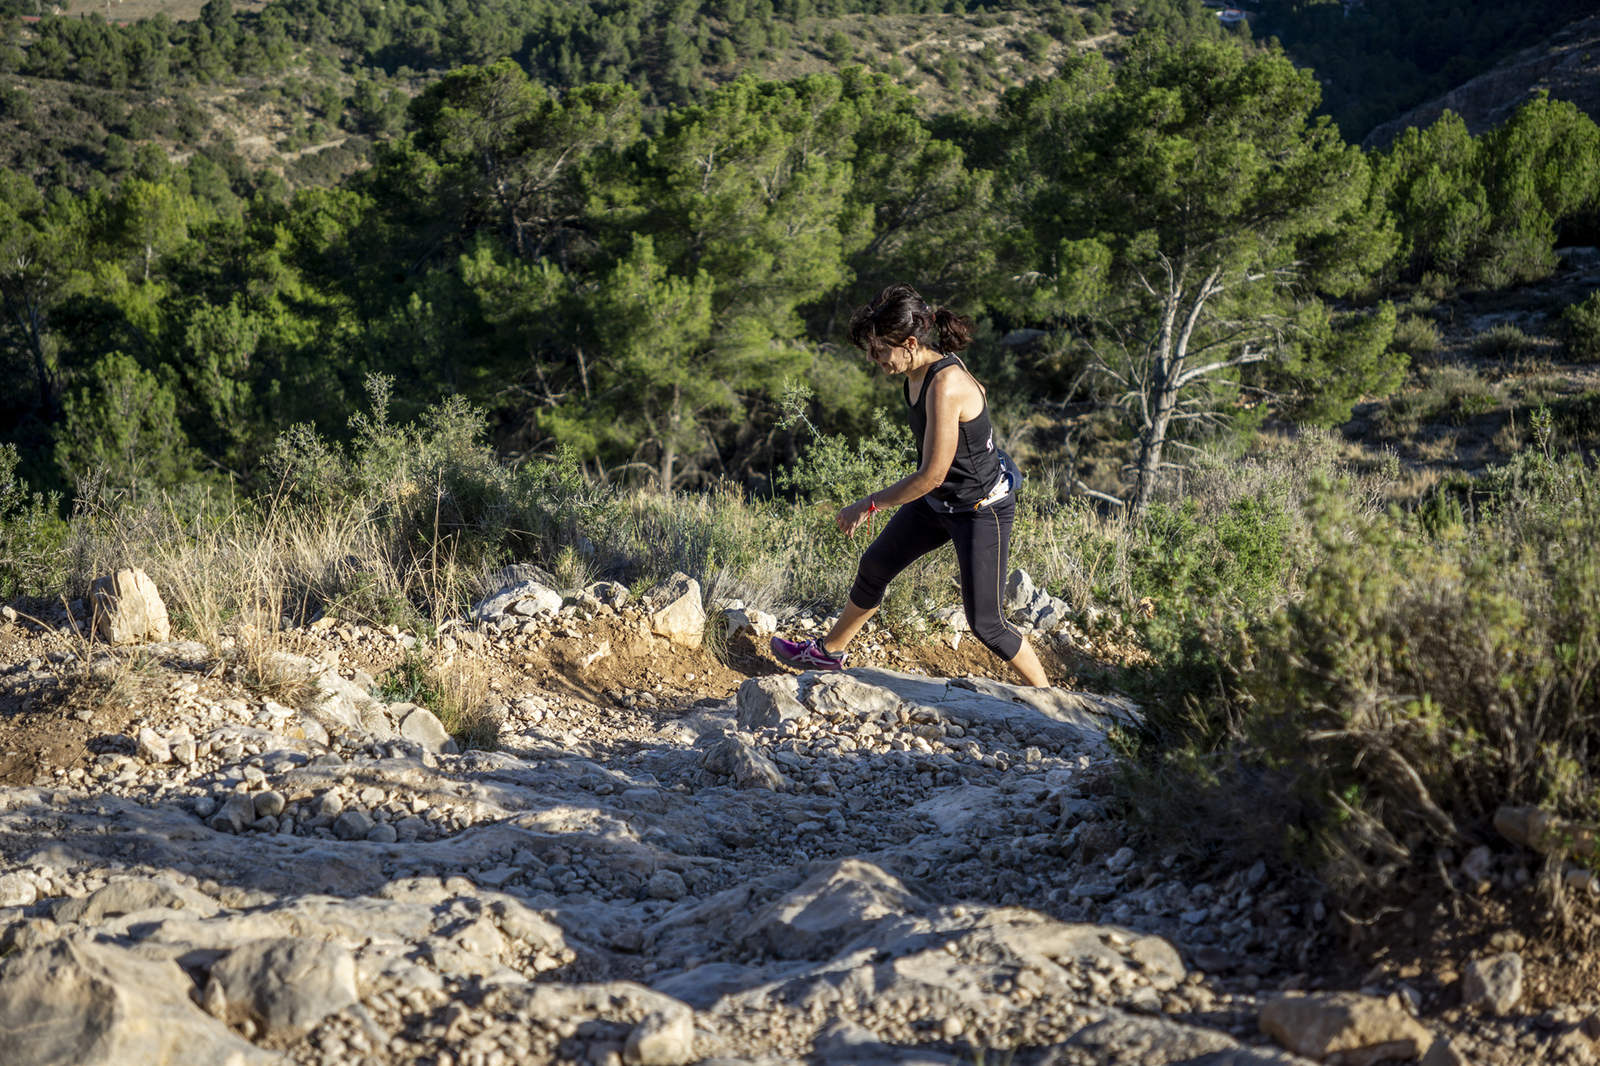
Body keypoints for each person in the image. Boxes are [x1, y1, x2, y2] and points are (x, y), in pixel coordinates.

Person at [771, 284, 1049, 687]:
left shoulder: (945, 383)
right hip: (940, 501)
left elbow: (931, 474)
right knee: (875, 565)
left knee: (986, 624)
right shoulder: (918, 373)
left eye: (880, 350)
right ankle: (828, 653)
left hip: (980, 510)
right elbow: (975, 405)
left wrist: (868, 504)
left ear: (911, 344)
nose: (874, 360)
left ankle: (1051, 702)